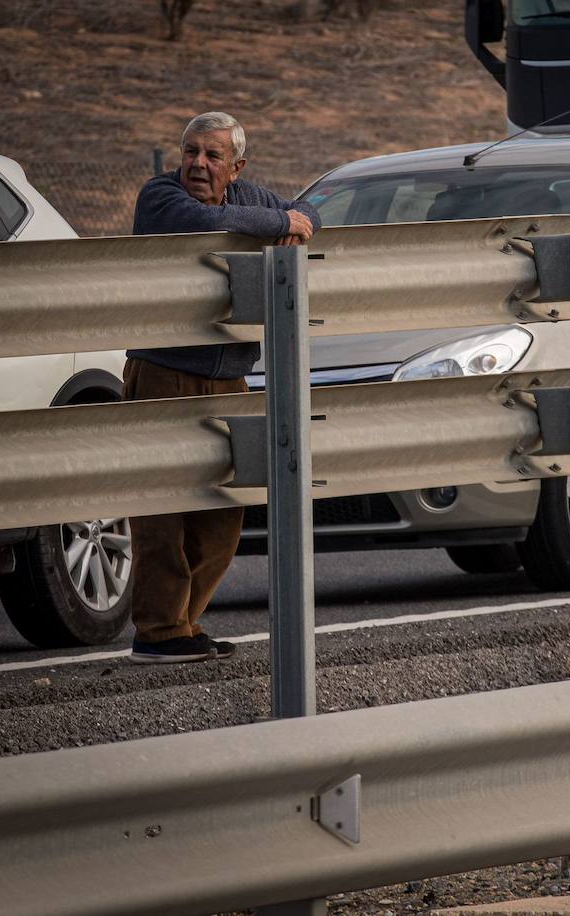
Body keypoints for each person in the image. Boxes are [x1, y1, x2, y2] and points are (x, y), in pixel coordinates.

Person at [125, 111, 321, 663]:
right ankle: (158, 631)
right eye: (191, 152)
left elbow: (309, 212)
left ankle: (186, 624)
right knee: (163, 507)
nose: (198, 165)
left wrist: (289, 219)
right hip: (162, 369)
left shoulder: (249, 195)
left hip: (227, 375)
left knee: (225, 505)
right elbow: (195, 219)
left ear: (237, 165)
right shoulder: (160, 196)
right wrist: (274, 223)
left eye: (213, 156)